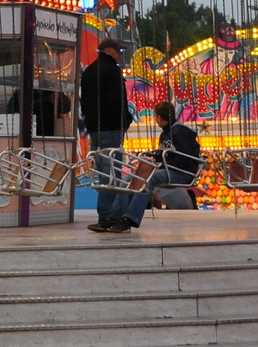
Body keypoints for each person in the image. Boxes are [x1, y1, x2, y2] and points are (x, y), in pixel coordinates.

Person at [109, 101, 203, 232]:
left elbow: (185, 159)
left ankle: (131, 218)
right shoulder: (164, 134)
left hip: (182, 172)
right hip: (169, 169)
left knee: (149, 178)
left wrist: (162, 162)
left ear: (158, 117)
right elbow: (164, 155)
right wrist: (154, 156)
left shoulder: (180, 132)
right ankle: (114, 217)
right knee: (130, 178)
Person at [77, 39, 132, 233]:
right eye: (118, 51)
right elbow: (117, 101)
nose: (120, 54)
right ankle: (111, 216)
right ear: (108, 51)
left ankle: (103, 215)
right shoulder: (113, 71)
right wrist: (126, 120)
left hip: (95, 130)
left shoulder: (89, 71)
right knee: (114, 174)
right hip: (112, 128)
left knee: (102, 174)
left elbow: (84, 102)